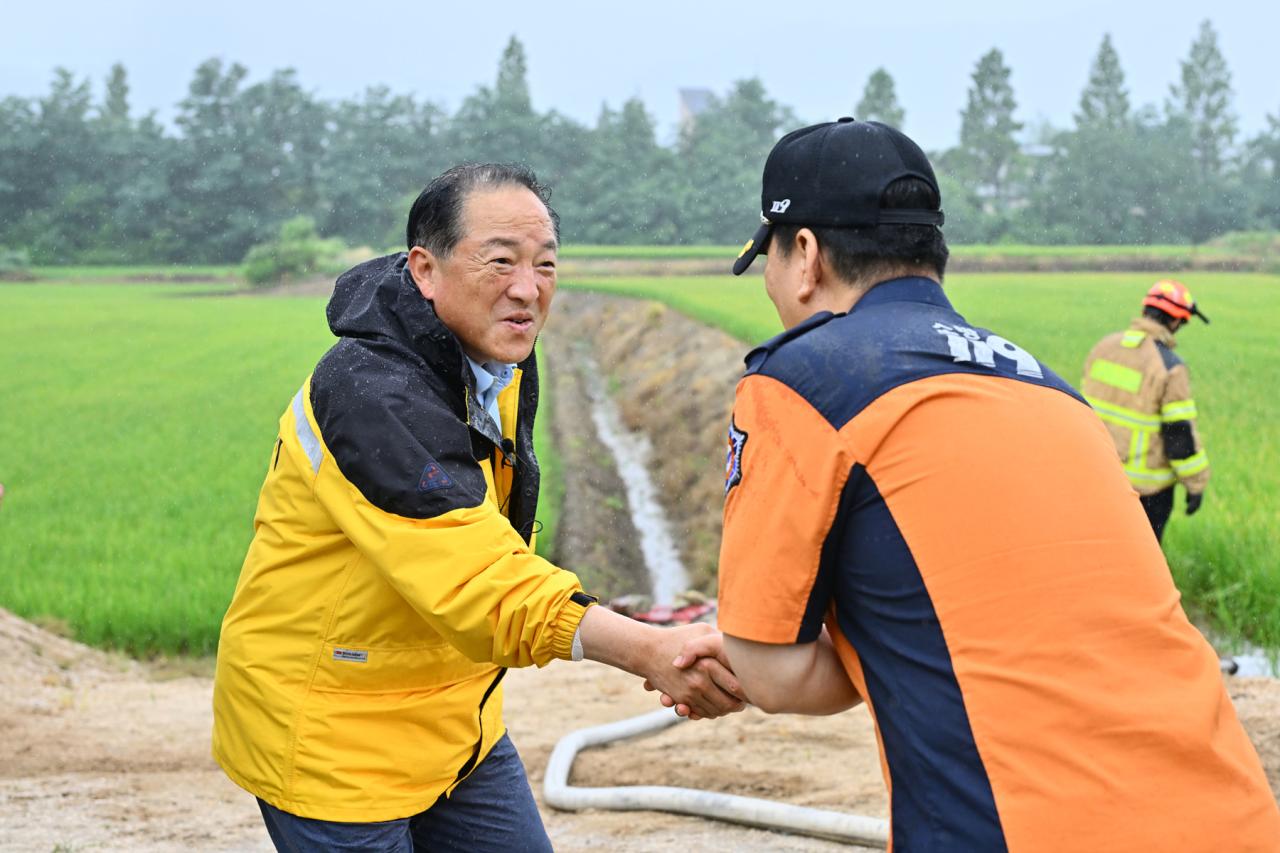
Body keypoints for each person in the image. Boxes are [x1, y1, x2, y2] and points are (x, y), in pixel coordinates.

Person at [671, 119, 1279, 850]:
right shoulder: (1052, 391)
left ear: (803, 255)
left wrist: (744, 645)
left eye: (765, 260)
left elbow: (772, 671)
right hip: (1233, 814)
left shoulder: (802, 380)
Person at [212, 163, 744, 852]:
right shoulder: (369, 393)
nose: (528, 289)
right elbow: (479, 581)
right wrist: (649, 648)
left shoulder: (500, 359)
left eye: (545, 264)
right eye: (501, 262)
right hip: (333, 737)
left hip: (459, 720)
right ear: (425, 269)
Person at [1081, 281, 1211, 542]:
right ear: (1175, 322)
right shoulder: (1170, 367)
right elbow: (1179, 435)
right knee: (1139, 566)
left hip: (1097, 475)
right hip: (1146, 492)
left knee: (1098, 552)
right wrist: (1195, 484)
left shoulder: (1104, 347)